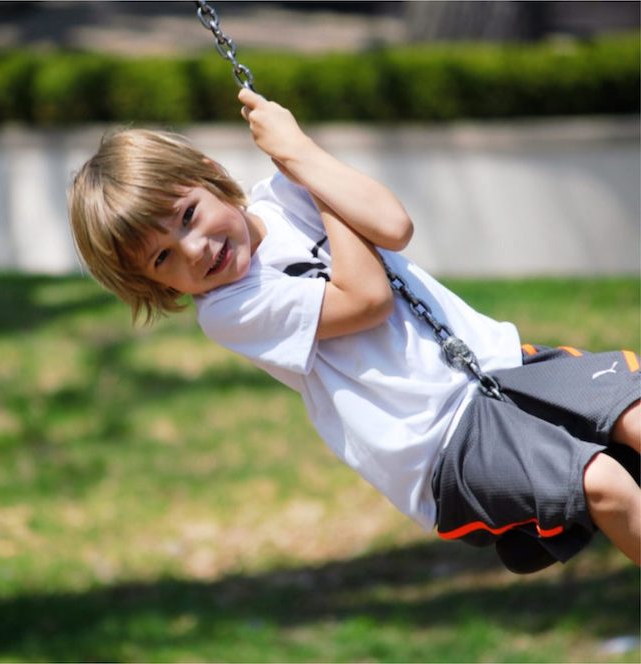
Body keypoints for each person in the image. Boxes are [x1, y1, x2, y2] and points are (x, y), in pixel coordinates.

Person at [69, 87, 640, 573]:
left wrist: (299, 153)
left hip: (501, 365)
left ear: (212, 177)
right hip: (440, 443)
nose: (195, 251)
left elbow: (393, 225)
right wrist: (309, 173)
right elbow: (367, 300)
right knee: (604, 483)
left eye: (189, 216)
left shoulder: (287, 189)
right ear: (156, 285)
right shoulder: (230, 309)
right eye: (163, 259)